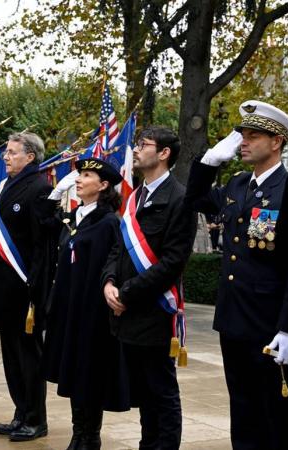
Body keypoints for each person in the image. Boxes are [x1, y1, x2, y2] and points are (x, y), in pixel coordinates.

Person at [184, 100, 288, 450]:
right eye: (243, 135)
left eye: (253, 135)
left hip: (269, 321)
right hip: (233, 317)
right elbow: (195, 200)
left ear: (276, 142)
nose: (243, 142)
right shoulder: (238, 184)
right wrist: (209, 162)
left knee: (276, 414)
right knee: (243, 411)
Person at [102, 126, 196, 450]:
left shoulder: (180, 199)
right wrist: (109, 283)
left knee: (162, 392)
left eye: (144, 144)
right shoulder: (135, 197)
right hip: (127, 313)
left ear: (164, 153)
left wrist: (126, 294)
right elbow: (117, 249)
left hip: (155, 312)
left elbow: (172, 262)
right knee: (143, 392)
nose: (137, 149)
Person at [0, 132, 56, 442]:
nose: (5, 157)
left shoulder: (41, 188)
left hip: (24, 289)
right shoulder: (11, 186)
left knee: (29, 357)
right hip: (6, 287)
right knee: (11, 356)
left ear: (30, 156)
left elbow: (40, 246)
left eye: (12, 152)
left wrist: (36, 290)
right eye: (5, 152)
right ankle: (20, 412)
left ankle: (36, 419)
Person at [44, 158, 130, 449]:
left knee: (89, 373)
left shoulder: (108, 221)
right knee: (72, 371)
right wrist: (56, 193)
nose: (79, 179)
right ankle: (78, 432)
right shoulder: (73, 217)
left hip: (92, 309)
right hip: (68, 306)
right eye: (79, 174)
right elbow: (42, 220)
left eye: (87, 175)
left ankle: (90, 436)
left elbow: (114, 261)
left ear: (103, 185)